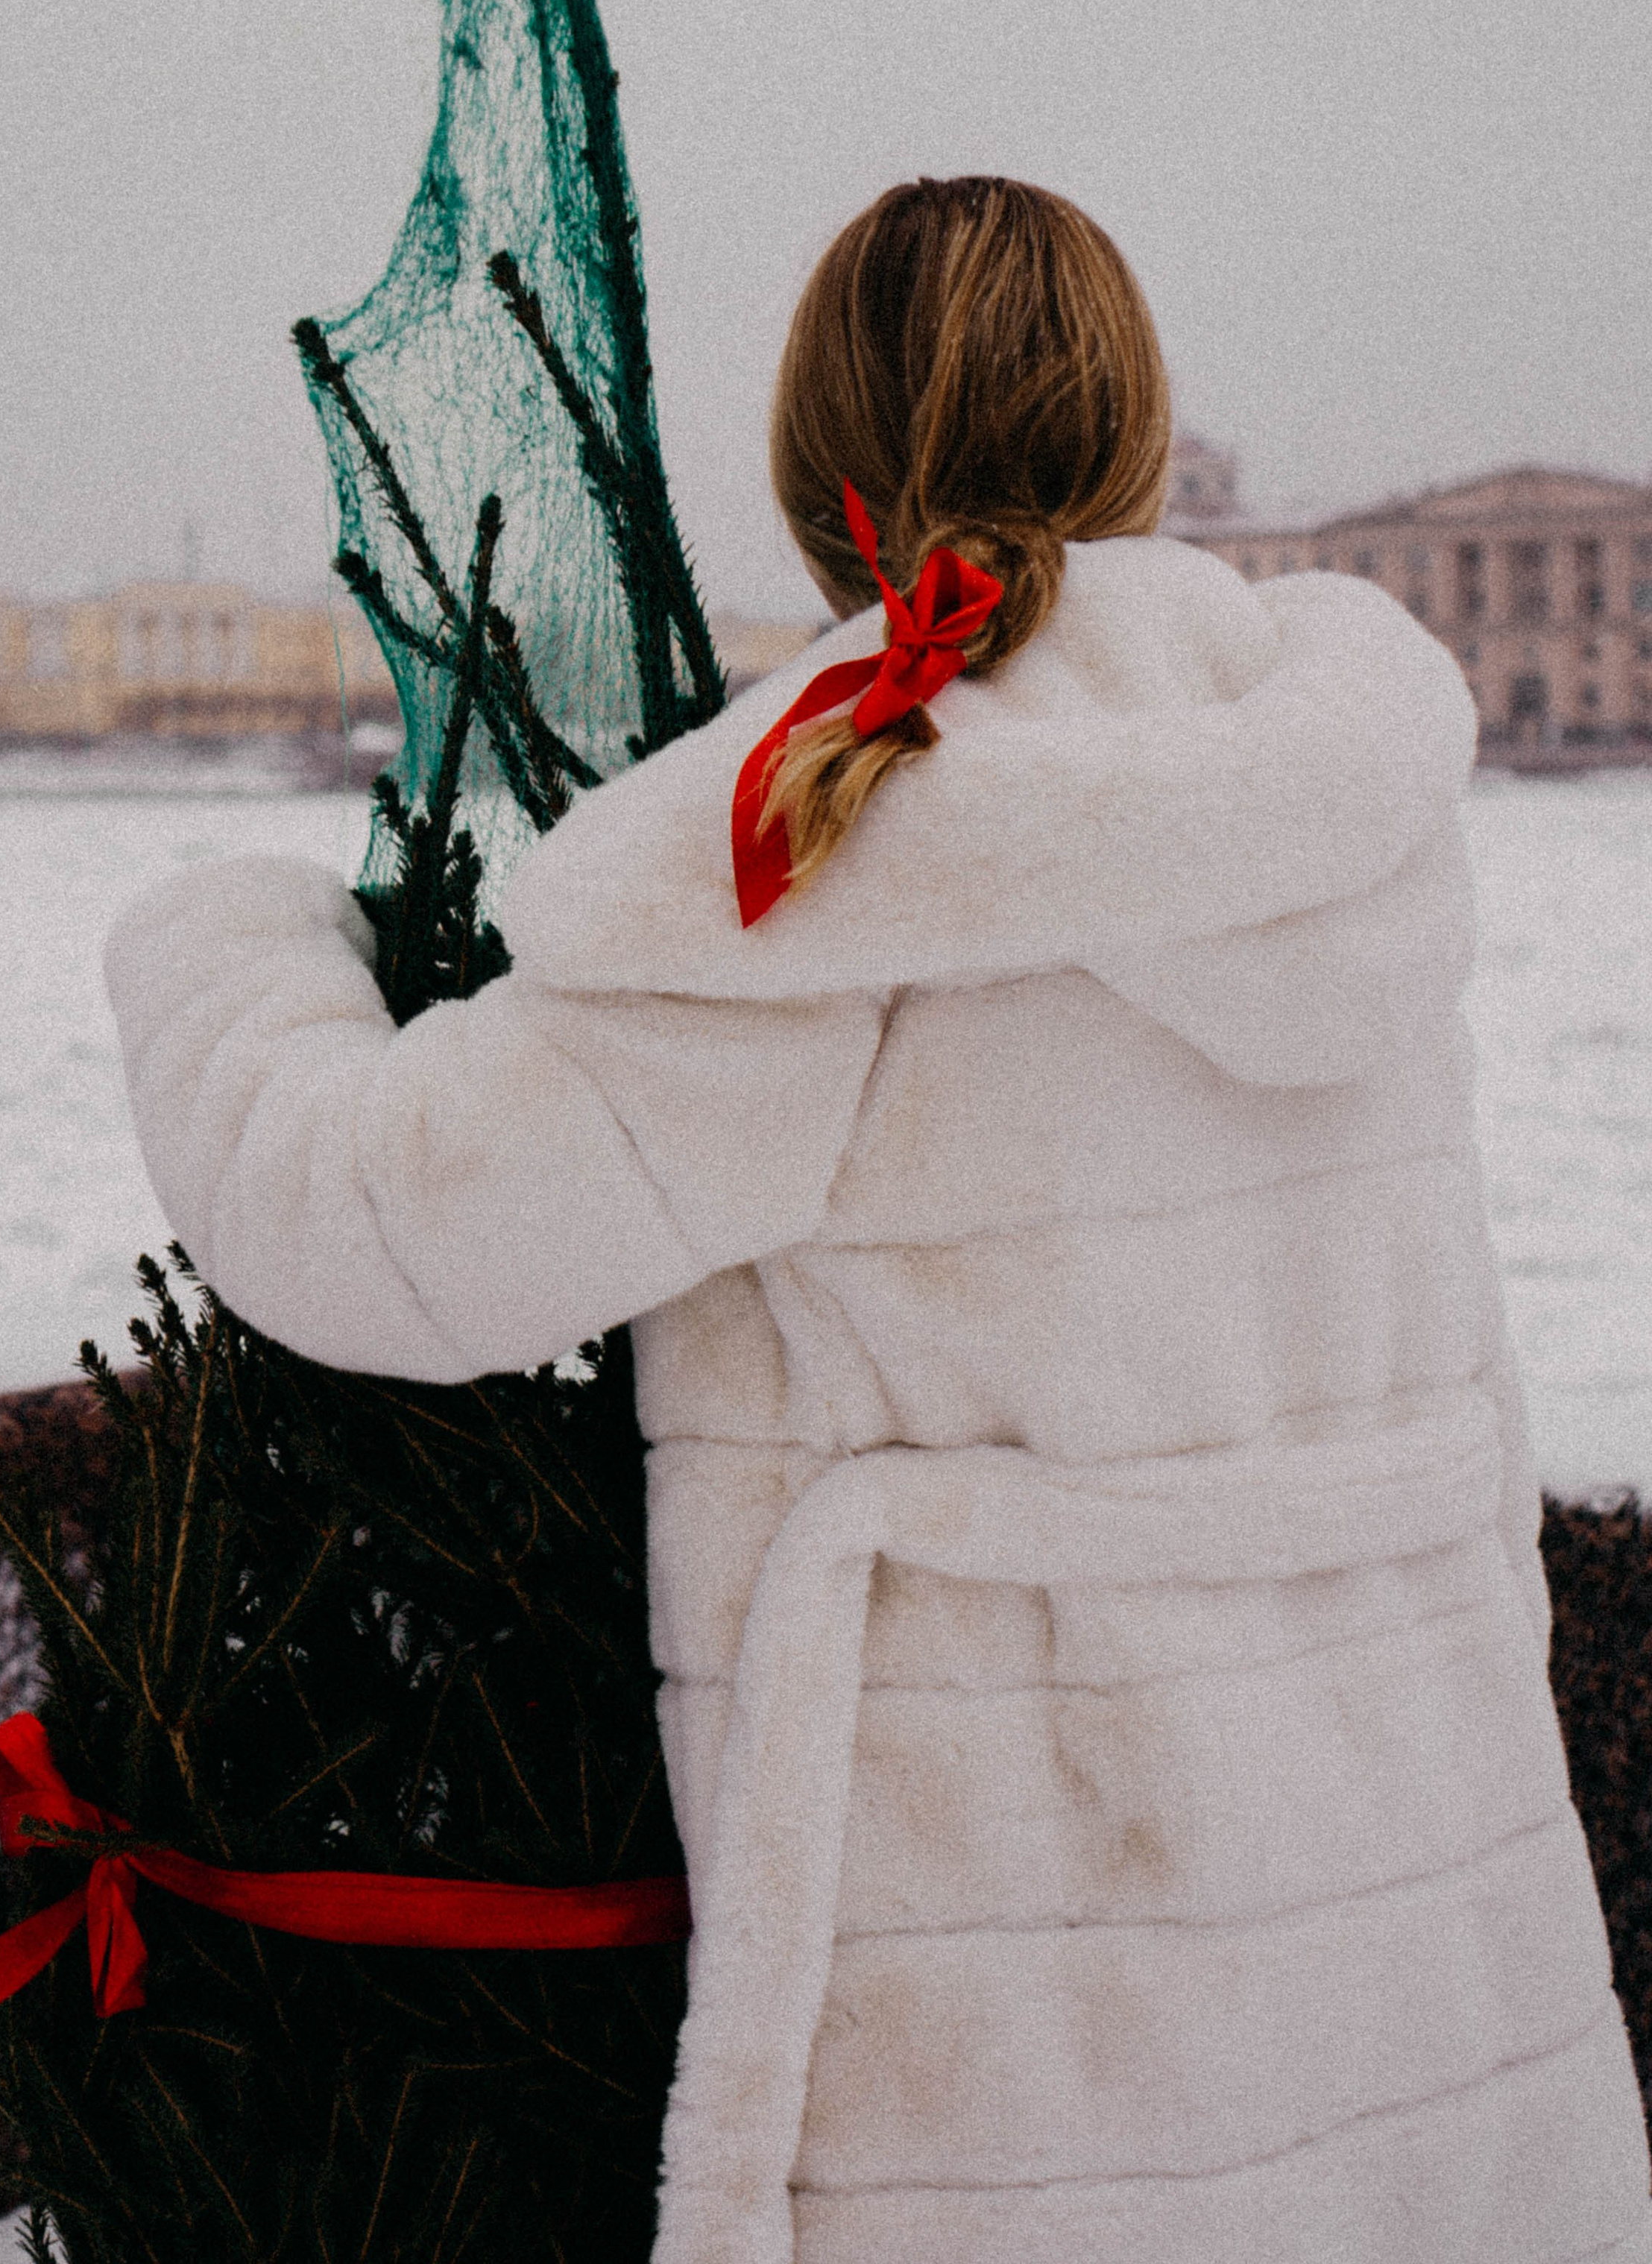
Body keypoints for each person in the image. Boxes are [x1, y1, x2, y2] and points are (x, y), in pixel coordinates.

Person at [105, 177, 1650, 2264]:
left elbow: (368, 1225)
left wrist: (237, 940)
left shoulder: (806, 858)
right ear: (1133, 438)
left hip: (1032, 2051)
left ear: (816, 485)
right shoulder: (1333, 817)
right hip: (1424, 1969)